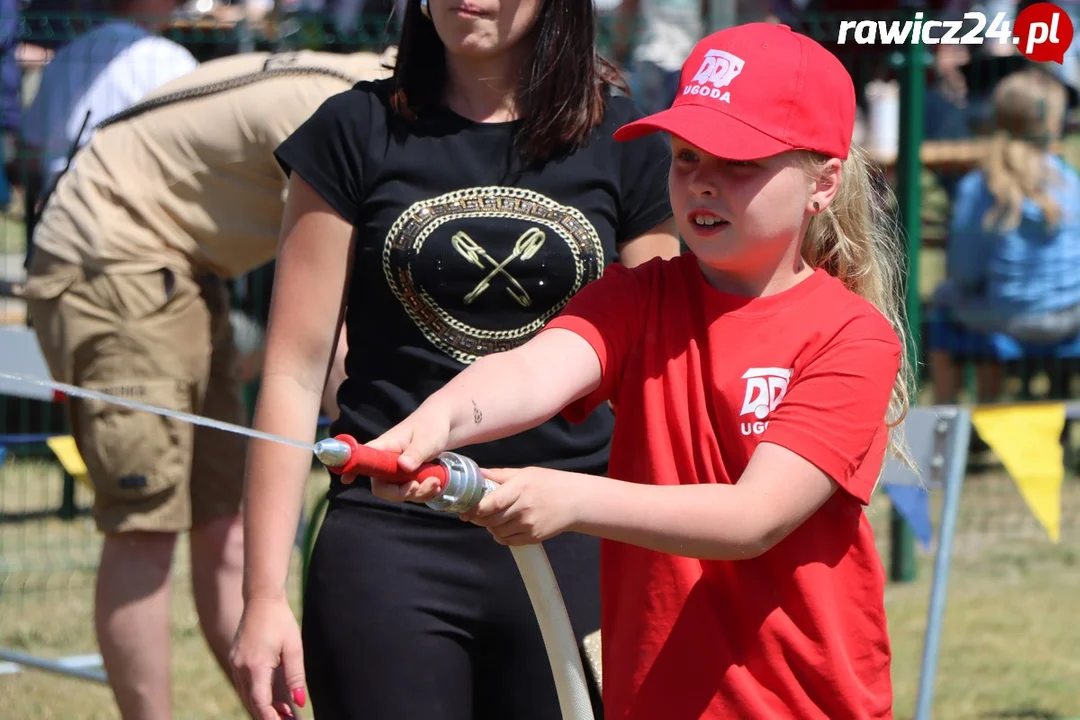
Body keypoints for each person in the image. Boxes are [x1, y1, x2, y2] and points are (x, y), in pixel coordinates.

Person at [363, 22, 912, 719]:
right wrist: (431, 424)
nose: (702, 182)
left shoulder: (851, 335)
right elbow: (531, 374)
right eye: (685, 157)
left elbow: (753, 517)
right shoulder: (637, 295)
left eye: (738, 163)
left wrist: (571, 502)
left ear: (824, 182)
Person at [228, 0, 680, 717]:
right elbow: (291, 371)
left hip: (576, 533)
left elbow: (661, 377)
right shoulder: (351, 132)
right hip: (392, 545)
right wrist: (260, 597)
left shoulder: (627, 143)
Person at [20, 48, 392, 720]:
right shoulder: (346, 111)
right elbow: (335, 340)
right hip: (114, 260)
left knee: (225, 524)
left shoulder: (361, 88)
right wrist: (393, 448)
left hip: (186, 267)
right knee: (146, 525)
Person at [928, 67, 1080, 406]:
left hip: (1008, 318)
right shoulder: (1070, 181)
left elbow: (964, 271)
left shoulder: (981, 186)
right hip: (1070, 316)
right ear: (1054, 123)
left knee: (943, 305)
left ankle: (951, 420)